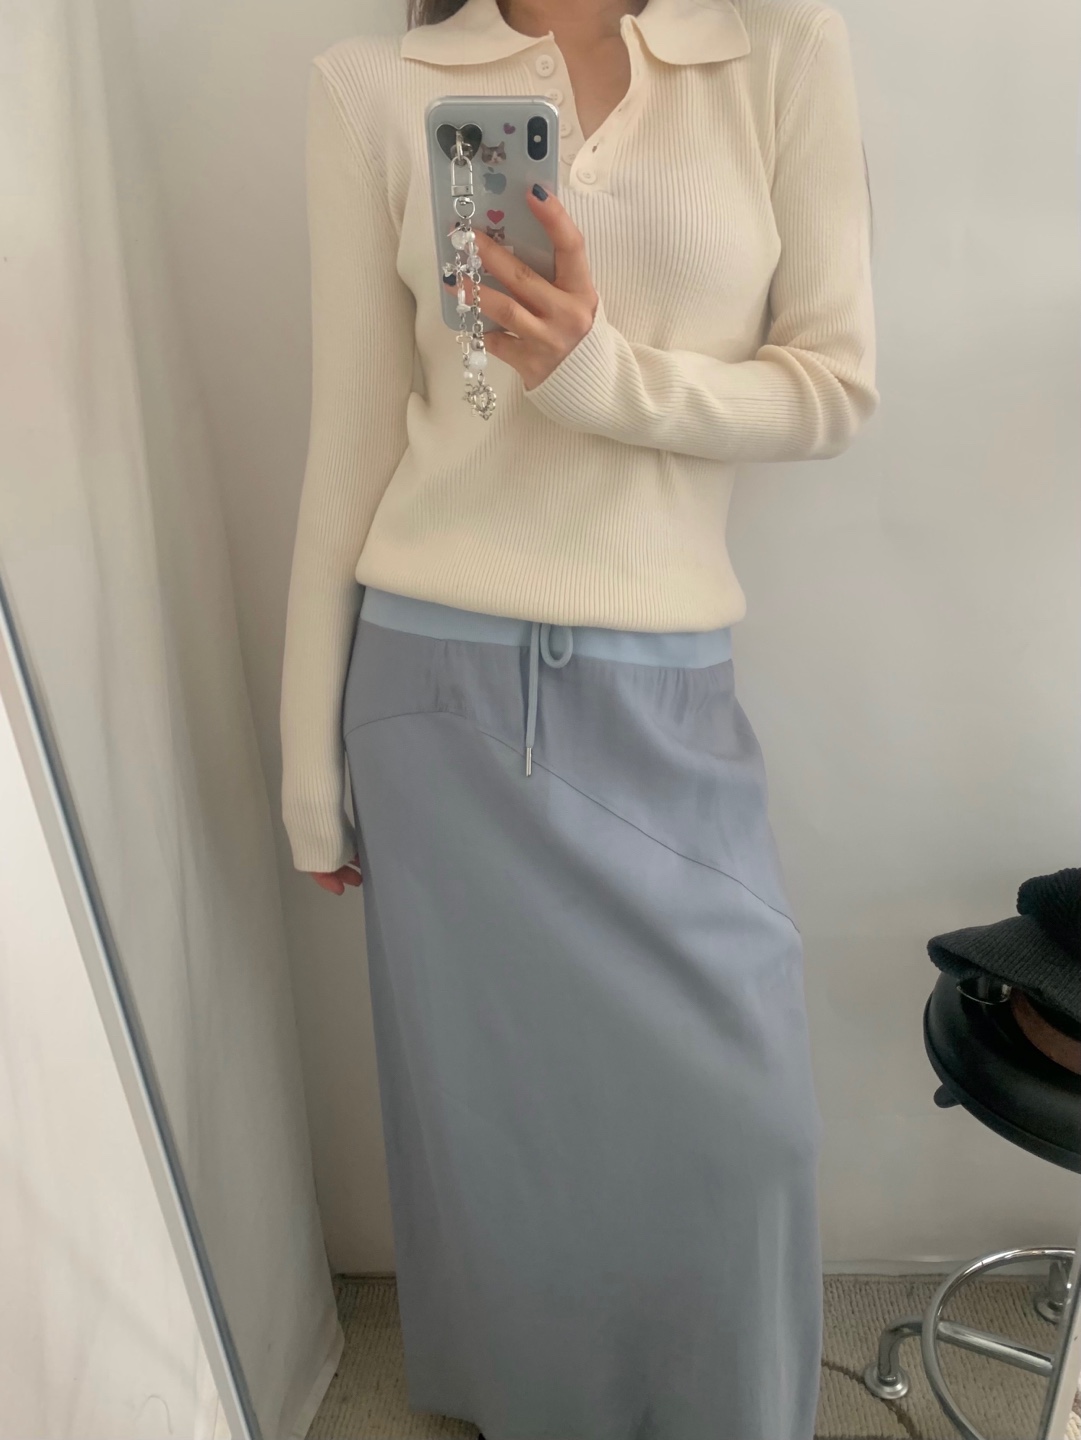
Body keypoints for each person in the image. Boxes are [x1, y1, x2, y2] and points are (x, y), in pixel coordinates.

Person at [279, 0, 878, 1435]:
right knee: (500, 1137)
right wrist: (306, 767)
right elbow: (350, 436)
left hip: (664, 688)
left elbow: (833, 387)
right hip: (433, 692)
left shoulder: (778, 51)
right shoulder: (373, 89)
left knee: (744, 1129)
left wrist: (600, 374)